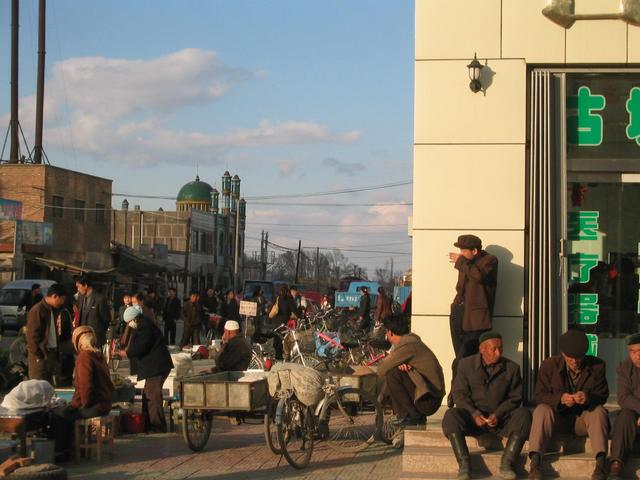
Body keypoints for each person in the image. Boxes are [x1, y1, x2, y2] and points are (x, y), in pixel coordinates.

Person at [443, 332, 531, 480]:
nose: (498, 352)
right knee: (451, 416)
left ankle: (507, 463)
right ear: (482, 349)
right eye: (494, 349)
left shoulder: (512, 368)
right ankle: (464, 465)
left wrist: (498, 414)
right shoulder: (465, 365)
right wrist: (474, 413)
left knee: (524, 415)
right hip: (473, 420)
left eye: (500, 348)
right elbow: (459, 394)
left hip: (501, 420)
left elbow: (515, 398)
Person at [528, 329, 609, 480]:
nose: (575, 362)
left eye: (578, 359)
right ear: (563, 355)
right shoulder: (549, 365)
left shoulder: (598, 366)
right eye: (570, 359)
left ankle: (601, 463)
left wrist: (587, 397)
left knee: (598, 411)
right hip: (557, 419)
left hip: (582, 421)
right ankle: (535, 462)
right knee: (541, 410)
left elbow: (603, 395)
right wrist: (560, 399)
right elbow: (539, 396)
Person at [49, 326, 114, 460]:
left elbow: (86, 388)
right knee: (65, 412)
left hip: (94, 406)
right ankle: (69, 448)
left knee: (58, 415)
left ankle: (62, 452)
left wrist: (77, 405)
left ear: (78, 342)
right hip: (104, 404)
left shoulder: (84, 357)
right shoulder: (99, 355)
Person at [448, 234, 498, 407]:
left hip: (476, 318)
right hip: (459, 312)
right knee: (460, 356)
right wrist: (455, 305)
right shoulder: (467, 264)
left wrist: (461, 262)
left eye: (463, 250)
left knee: (465, 357)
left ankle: (456, 394)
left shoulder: (490, 261)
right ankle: (460, 393)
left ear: (474, 251)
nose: (460, 254)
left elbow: (479, 276)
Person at [376, 314, 445, 427]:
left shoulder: (407, 346)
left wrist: (394, 361)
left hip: (429, 401)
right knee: (396, 371)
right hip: (430, 396)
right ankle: (408, 415)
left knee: (392, 374)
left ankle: (412, 416)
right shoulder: (412, 342)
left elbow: (381, 370)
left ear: (390, 332)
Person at [123, 305, 173, 433]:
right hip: (154, 367)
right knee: (148, 394)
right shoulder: (141, 325)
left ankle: (158, 426)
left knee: (153, 396)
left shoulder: (145, 326)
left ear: (134, 319)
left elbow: (141, 347)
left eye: (129, 322)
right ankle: (148, 424)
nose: (129, 325)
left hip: (157, 367)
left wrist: (125, 353)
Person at [608, 333, 640, 479]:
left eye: (639, 351)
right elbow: (623, 397)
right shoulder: (625, 367)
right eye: (632, 352)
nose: (636, 356)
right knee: (624, 416)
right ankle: (616, 465)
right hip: (634, 413)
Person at [26, 283, 67, 383]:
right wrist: (39, 356)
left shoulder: (52, 309)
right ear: (54, 296)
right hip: (41, 357)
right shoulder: (38, 310)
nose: (62, 302)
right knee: (38, 388)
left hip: (50, 354)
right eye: (62, 299)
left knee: (48, 389)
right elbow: (32, 337)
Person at [75, 276, 111, 348]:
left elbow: (106, 319)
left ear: (85, 285)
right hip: (82, 336)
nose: (78, 289)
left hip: (95, 337)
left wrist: (99, 332)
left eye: (78, 287)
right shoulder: (80, 297)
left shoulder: (100, 298)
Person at [271, 285, 296, 360]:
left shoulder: (277, 298)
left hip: (275, 321)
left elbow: (271, 308)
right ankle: (280, 355)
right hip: (284, 322)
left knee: (277, 338)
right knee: (282, 339)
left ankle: (277, 355)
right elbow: (294, 310)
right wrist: (301, 315)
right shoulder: (289, 299)